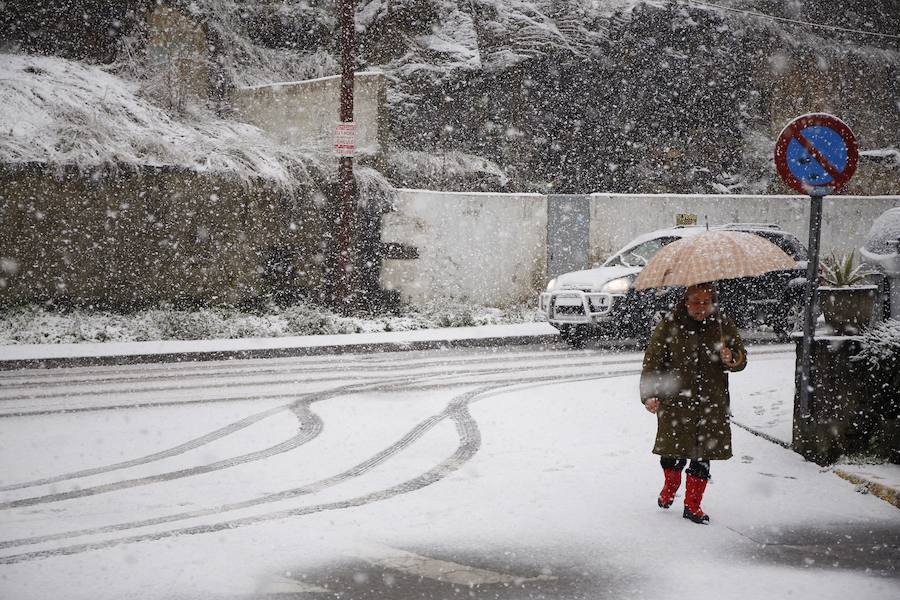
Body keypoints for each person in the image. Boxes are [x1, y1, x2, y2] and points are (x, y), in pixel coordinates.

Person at [639, 283, 747, 524]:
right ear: (685, 303)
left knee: (703, 454)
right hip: (676, 400)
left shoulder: (722, 324)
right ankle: (671, 485)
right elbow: (653, 361)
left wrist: (732, 358)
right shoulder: (670, 324)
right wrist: (649, 394)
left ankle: (693, 505)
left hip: (711, 401)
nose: (701, 308)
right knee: (672, 454)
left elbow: (741, 357)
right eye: (696, 302)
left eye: (706, 303)